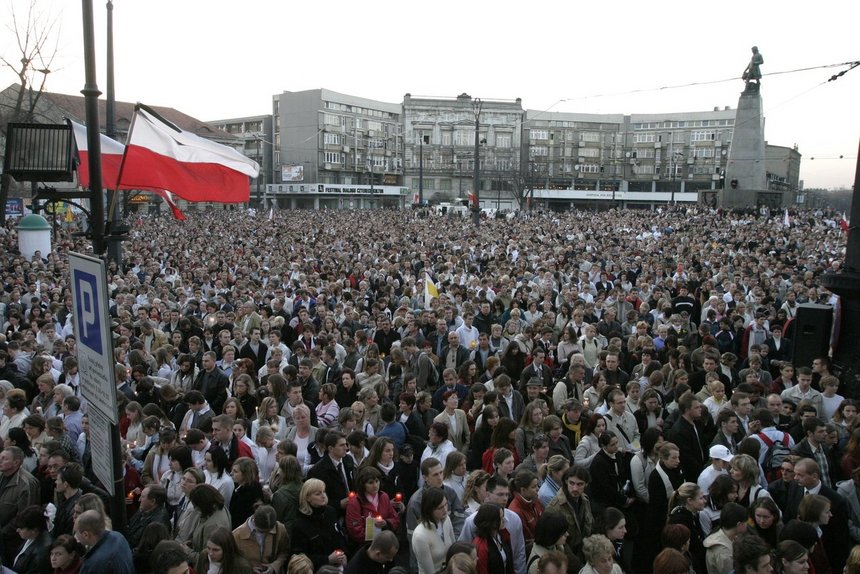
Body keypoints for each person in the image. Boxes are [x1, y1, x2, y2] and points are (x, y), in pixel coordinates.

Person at [291, 478, 348, 571]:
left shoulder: (331, 512)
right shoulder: (300, 524)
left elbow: (339, 536)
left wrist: (344, 553)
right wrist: (327, 559)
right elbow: (300, 558)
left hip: (338, 566)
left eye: (324, 492)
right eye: (318, 494)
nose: (323, 496)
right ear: (307, 498)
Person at [544, 465, 593, 568]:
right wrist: (578, 566)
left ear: (586, 484)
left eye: (580, 484)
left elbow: (589, 528)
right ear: (566, 481)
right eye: (572, 483)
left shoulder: (585, 500)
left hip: (584, 553)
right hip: (566, 560)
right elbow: (557, 543)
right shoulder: (555, 507)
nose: (575, 488)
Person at [345, 466, 400, 548]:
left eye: (377, 481)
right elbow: (355, 530)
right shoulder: (355, 503)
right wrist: (375, 535)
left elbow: (395, 518)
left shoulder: (384, 496)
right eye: (370, 483)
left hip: (385, 542)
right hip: (365, 546)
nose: (375, 485)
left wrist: (386, 523)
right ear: (363, 485)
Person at [232, 505, 290, 574]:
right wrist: (248, 569)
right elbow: (232, 561)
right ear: (254, 522)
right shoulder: (236, 535)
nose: (266, 534)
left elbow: (284, 551)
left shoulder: (280, 529)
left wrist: (275, 565)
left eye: (269, 531)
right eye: (262, 532)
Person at [74, 509, 134, 574]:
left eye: (76, 532)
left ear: (85, 535)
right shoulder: (119, 536)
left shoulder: (93, 565)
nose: (75, 536)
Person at [667, 482, 708, 574]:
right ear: (690, 501)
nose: (704, 501)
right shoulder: (680, 520)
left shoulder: (692, 515)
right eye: (701, 498)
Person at [412, 486, 455, 574]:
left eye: (446, 504)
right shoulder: (420, 536)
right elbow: (430, 572)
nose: (445, 510)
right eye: (440, 508)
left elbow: (454, 548)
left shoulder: (446, 520)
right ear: (429, 510)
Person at [703, 502, 748, 574]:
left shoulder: (724, 536)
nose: (747, 525)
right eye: (746, 522)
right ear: (739, 524)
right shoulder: (724, 552)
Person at [472, 502, 514, 574]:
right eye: (501, 518)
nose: (504, 520)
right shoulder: (480, 545)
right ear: (492, 521)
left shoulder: (502, 534)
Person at [11, 504, 52, 574]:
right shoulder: (31, 537)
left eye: (21, 528)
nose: (17, 530)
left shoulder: (41, 554)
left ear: (34, 530)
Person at [228, 456, 264, 529]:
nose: (231, 473)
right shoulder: (238, 485)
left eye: (235, 471)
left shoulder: (249, 494)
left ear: (246, 474)